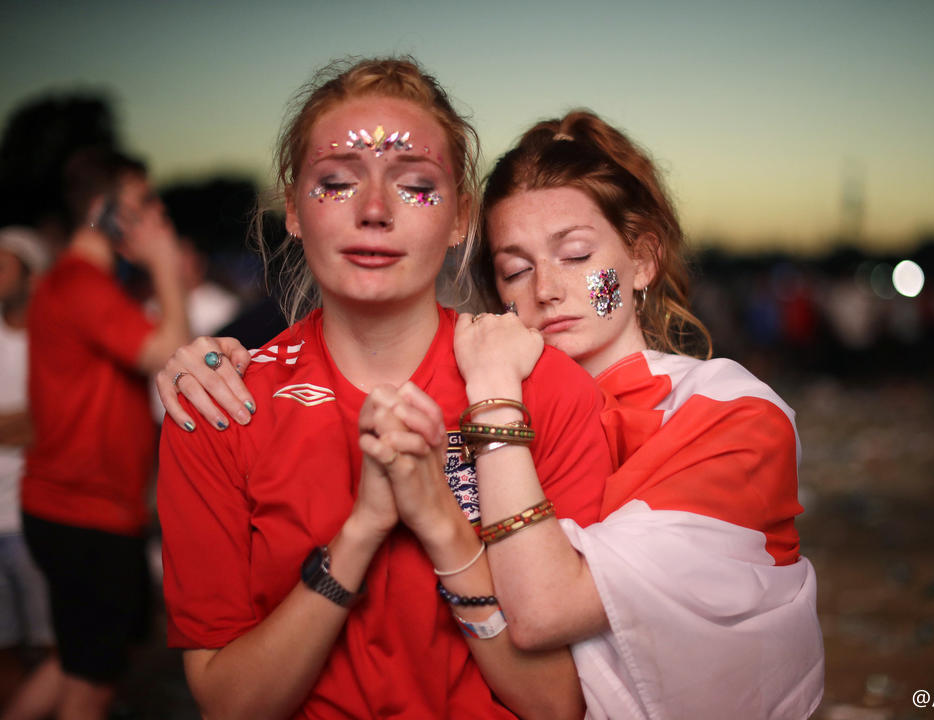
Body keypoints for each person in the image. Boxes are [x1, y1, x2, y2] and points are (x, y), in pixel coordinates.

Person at [162, 108, 825, 719]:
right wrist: (216, 360)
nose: (547, 288)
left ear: (643, 259)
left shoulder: (727, 412)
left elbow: (541, 614)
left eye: (577, 255)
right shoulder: (487, 396)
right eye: (514, 268)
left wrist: (495, 395)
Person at [155, 57, 609, 719]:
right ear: (293, 210)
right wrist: (362, 531)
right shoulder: (221, 405)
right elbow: (229, 705)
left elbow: (559, 703)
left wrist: (439, 523)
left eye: (416, 184)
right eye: (337, 183)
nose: (373, 211)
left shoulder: (546, 390)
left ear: (461, 218)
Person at [21, 149, 189, 720]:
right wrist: (165, 262)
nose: (154, 215)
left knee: (78, 661)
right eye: (142, 202)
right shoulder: (79, 283)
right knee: (93, 681)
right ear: (104, 209)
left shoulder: (80, 284)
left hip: (77, 506)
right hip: (84, 510)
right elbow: (171, 357)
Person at [0, 227, 60, 720]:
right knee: (4, 651)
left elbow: (55, 421)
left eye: (4, 264)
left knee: (50, 644)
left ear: (32, 274)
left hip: (33, 517)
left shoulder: (54, 341)